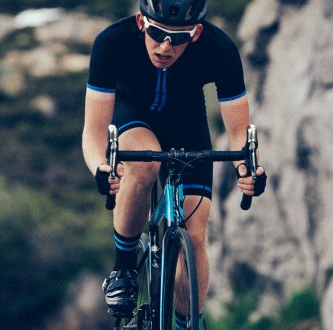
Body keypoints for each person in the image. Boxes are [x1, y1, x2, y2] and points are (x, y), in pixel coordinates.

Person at [82, 0, 267, 325]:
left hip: (186, 122)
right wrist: (101, 166)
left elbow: (239, 132)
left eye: (178, 38)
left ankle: (187, 324)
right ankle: (124, 269)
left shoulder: (219, 48)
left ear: (195, 33)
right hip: (132, 114)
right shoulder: (112, 42)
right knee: (144, 164)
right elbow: (95, 130)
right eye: (157, 33)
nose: (166, 46)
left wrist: (247, 170)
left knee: (195, 237)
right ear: (141, 22)